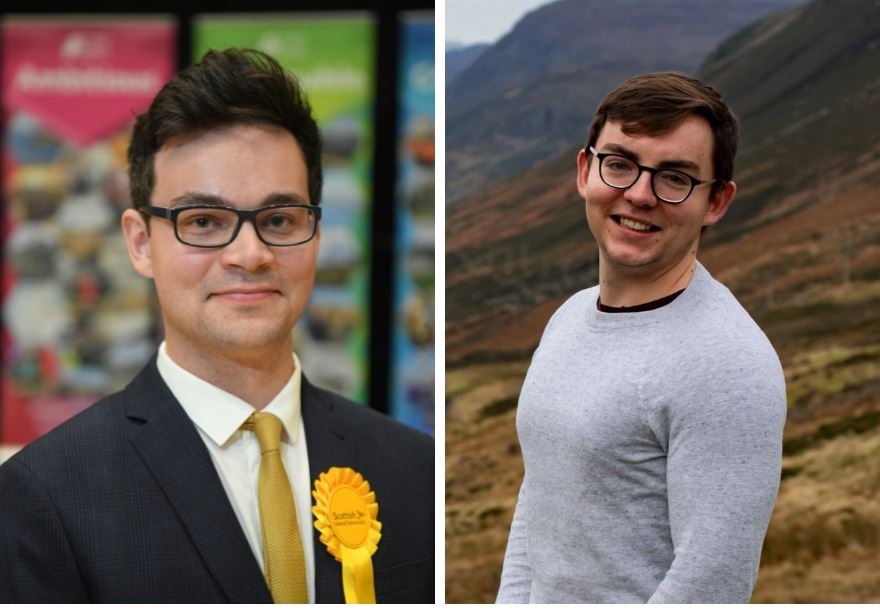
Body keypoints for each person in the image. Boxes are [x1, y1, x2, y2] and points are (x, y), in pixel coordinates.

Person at [0, 48, 433, 604]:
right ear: (140, 243)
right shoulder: (44, 497)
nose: (249, 254)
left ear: (317, 235)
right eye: (203, 221)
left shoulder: (415, 470)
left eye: (279, 220)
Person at [495, 72, 786, 603]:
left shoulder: (728, 363)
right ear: (586, 170)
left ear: (716, 201)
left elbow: (711, 582)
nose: (639, 194)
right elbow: (540, 502)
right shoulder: (569, 318)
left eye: (675, 178)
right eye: (620, 164)